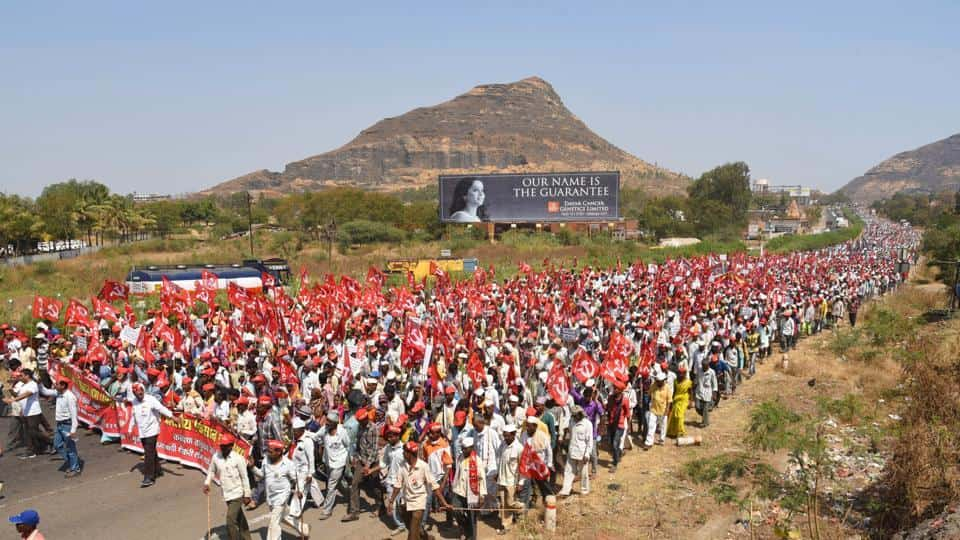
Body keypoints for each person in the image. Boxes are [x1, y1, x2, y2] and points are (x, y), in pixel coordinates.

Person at [386, 440, 451, 540]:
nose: (403, 453)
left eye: (404, 452)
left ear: (410, 454)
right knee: (413, 528)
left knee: (412, 534)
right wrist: (391, 501)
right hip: (406, 502)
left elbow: (434, 487)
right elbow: (397, 486)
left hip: (419, 503)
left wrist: (444, 503)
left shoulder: (423, 466)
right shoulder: (402, 466)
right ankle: (427, 538)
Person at [203, 433, 252, 540]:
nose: (222, 448)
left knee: (230, 519)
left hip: (238, 493)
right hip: (226, 493)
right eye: (221, 445)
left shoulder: (238, 459)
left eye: (225, 446)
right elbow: (211, 471)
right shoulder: (216, 457)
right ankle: (247, 538)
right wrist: (207, 483)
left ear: (231, 446)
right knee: (239, 518)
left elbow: (245, 477)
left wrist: (247, 495)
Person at [128, 381, 174, 487]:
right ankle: (157, 470)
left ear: (143, 390)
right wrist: (130, 429)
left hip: (152, 430)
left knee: (148, 453)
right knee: (151, 451)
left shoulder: (151, 400)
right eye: (136, 393)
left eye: (140, 392)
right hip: (142, 432)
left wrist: (173, 417)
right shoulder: (134, 402)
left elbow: (162, 409)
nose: (139, 394)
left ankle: (149, 477)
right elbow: (133, 416)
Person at [251, 439, 298, 540]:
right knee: (285, 517)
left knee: (273, 524)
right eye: (268, 451)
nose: (268, 453)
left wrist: (299, 490)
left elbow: (295, 479)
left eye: (270, 452)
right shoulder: (265, 460)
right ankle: (304, 529)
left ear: (279, 452)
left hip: (282, 497)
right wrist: (253, 467)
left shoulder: (288, 464)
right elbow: (262, 475)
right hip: (270, 497)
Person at [38, 377, 82, 477]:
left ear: (63, 385)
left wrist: (73, 429)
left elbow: (74, 414)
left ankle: (75, 468)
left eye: (57, 384)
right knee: (57, 445)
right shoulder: (58, 393)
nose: (55, 386)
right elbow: (45, 391)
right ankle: (71, 462)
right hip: (59, 425)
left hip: (67, 425)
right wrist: (40, 383)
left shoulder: (70, 397)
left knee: (71, 448)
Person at [3, 369, 45, 459]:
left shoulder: (32, 384)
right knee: (29, 432)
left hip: (33, 412)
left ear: (27, 376)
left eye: (21, 376)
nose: (18, 378)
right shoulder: (24, 385)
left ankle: (51, 442)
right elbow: (22, 398)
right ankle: (32, 450)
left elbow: (26, 395)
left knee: (33, 432)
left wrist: (14, 399)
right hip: (26, 412)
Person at [451, 436, 484, 540]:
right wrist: (453, 487)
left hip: (472, 494)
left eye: (465, 448)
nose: (463, 450)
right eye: (462, 448)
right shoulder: (460, 457)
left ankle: (471, 537)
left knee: (472, 517)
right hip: (459, 491)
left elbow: (482, 479)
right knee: (455, 510)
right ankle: (464, 525)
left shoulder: (477, 461)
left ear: (471, 448)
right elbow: (457, 473)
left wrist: (482, 495)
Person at [319, 410, 350, 519]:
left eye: (329, 421)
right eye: (327, 420)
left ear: (335, 423)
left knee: (331, 486)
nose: (326, 422)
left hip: (339, 463)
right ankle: (351, 496)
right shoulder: (325, 429)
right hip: (328, 461)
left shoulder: (342, 432)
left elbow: (348, 445)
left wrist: (347, 460)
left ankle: (327, 510)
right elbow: (316, 436)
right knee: (338, 483)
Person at [558, 405, 592, 497]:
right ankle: (565, 490)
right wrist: (562, 436)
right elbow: (565, 428)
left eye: (577, 415)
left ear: (580, 414)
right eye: (574, 415)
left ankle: (584, 490)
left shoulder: (587, 424)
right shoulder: (571, 422)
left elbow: (589, 441)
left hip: (582, 453)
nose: (575, 417)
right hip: (572, 450)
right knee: (568, 472)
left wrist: (587, 454)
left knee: (583, 473)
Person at [644, 373, 669, 448]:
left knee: (663, 426)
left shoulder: (667, 388)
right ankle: (648, 443)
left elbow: (669, 400)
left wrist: (667, 410)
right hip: (653, 409)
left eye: (659, 381)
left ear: (663, 381)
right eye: (657, 380)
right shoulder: (653, 385)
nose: (657, 382)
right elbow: (649, 394)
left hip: (663, 411)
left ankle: (662, 439)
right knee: (651, 426)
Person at [666, 366, 692, 439]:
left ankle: (680, 432)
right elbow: (674, 391)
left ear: (684, 374)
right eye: (679, 373)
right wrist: (671, 400)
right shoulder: (676, 381)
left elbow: (691, 392)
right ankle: (672, 432)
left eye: (681, 374)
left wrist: (691, 401)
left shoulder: (688, 382)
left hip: (684, 400)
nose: (680, 375)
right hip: (676, 399)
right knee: (673, 416)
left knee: (680, 416)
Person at [696, 361, 718, 428]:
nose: (704, 368)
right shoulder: (699, 370)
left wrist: (714, 393)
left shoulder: (712, 372)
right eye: (703, 366)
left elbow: (715, 383)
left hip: (708, 393)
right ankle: (705, 417)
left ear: (708, 366)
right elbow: (696, 379)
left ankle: (705, 423)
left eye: (706, 366)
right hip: (699, 392)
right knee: (698, 407)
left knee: (705, 409)